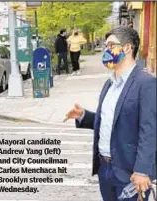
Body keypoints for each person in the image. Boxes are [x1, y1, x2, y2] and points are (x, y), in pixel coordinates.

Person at [65, 26, 156, 201]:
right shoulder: (110, 84)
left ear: (128, 48)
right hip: (105, 169)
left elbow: (150, 131)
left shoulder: (146, 83)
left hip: (129, 173)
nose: (106, 51)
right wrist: (84, 115)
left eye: (110, 45)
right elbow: (114, 122)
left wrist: (142, 171)